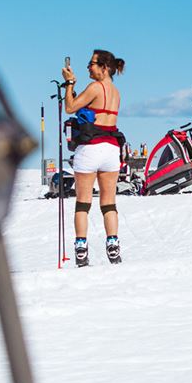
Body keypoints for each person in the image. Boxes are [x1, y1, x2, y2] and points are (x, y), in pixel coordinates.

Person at [61, 49, 126, 266]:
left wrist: (69, 83)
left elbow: (70, 107)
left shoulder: (95, 87)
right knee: (109, 203)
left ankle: (81, 247)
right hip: (111, 149)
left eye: (92, 63)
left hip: (90, 148)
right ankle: (113, 244)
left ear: (104, 67)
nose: (88, 66)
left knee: (83, 203)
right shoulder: (115, 92)